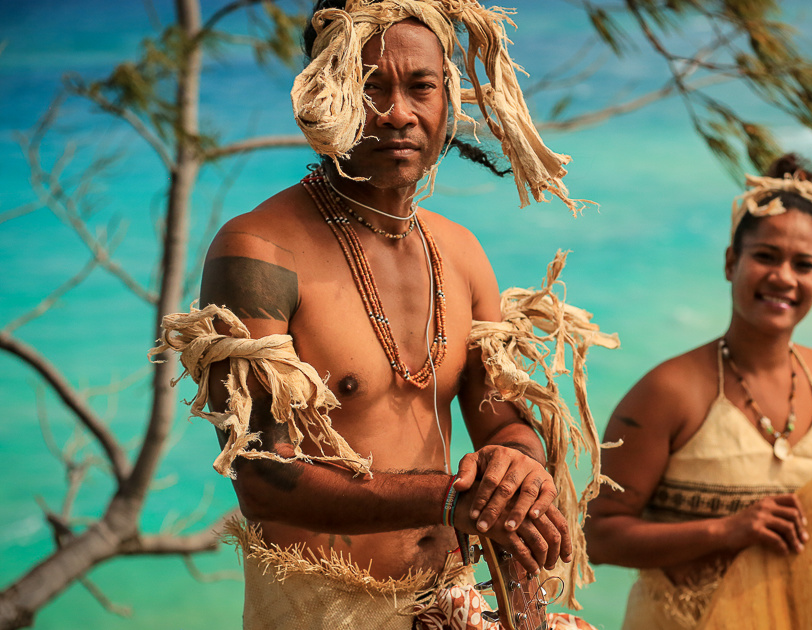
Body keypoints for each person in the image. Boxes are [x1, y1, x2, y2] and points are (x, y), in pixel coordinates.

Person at [151, 1, 612, 628]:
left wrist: (514, 470)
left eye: (421, 85)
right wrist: (453, 499)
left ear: (448, 96)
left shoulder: (460, 251)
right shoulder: (258, 251)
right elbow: (261, 479)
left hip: (452, 593)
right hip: (321, 603)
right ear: (325, 96)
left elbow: (501, 422)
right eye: (369, 87)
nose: (399, 112)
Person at [583, 154, 812, 630]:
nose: (783, 277)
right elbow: (597, 537)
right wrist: (727, 530)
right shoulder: (667, 391)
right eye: (766, 256)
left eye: (803, 265)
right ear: (731, 262)